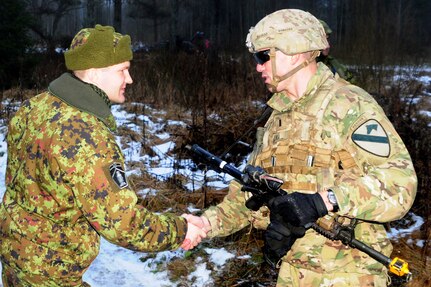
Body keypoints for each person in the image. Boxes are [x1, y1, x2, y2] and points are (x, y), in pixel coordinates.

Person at [183, 9, 417, 286]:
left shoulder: (347, 104)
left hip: (350, 276)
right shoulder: (278, 117)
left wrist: (323, 201)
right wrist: (207, 224)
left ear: (293, 52)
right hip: (293, 274)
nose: (258, 66)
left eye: (263, 56)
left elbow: (400, 186)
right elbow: (249, 196)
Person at [0, 24, 206, 286]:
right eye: (123, 70)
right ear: (96, 72)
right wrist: (181, 230)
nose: (129, 79)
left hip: (17, 255)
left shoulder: (35, 106)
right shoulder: (85, 134)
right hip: (51, 271)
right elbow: (123, 223)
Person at [317, 19, 357, 84]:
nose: (328, 46)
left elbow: (353, 86)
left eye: (328, 39)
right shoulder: (301, 71)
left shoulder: (334, 64)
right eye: (323, 40)